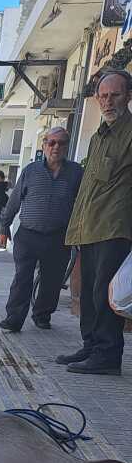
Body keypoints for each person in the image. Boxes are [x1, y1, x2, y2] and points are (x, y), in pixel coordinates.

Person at [60, 70, 132, 375]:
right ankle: (91, 346)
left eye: (115, 94)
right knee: (89, 291)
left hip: (114, 227)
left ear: (128, 96)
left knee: (105, 293)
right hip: (88, 226)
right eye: (103, 95)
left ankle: (106, 355)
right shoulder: (98, 137)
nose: (108, 101)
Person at [0, 128, 83, 333]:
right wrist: (4, 227)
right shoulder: (30, 171)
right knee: (22, 278)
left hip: (58, 236)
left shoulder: (76, 173)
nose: (56, 147)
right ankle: (14, 319)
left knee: (52, 280)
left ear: (67, 147)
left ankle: (42, 315)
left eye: (61, 143)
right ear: (44, 145)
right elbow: (14, 200)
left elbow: (82, 205)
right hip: (28, 235)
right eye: (52, 142)